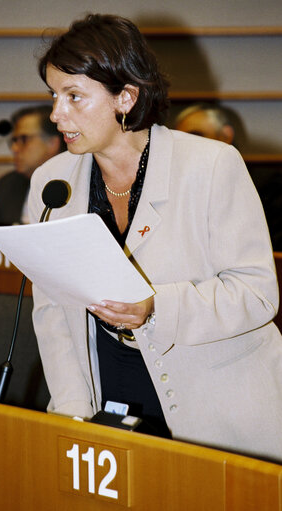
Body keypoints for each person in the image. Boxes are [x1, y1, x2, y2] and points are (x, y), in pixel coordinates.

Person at [28, 13, 282, 462]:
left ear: (125, 97)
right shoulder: (51, 183)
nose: (55, 114)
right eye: (53, 95)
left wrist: (155, 307)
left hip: (220, 408)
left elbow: (257, 294)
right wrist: (71, 413)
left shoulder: (211, 166)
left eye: (73, 97)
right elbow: (51, 311)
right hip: (109, 396)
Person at [174, 103, 282, 251]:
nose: (188, 146)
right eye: (181, 140)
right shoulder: (176, 186)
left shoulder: (269, 184)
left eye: (196, 136)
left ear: (226, 135)